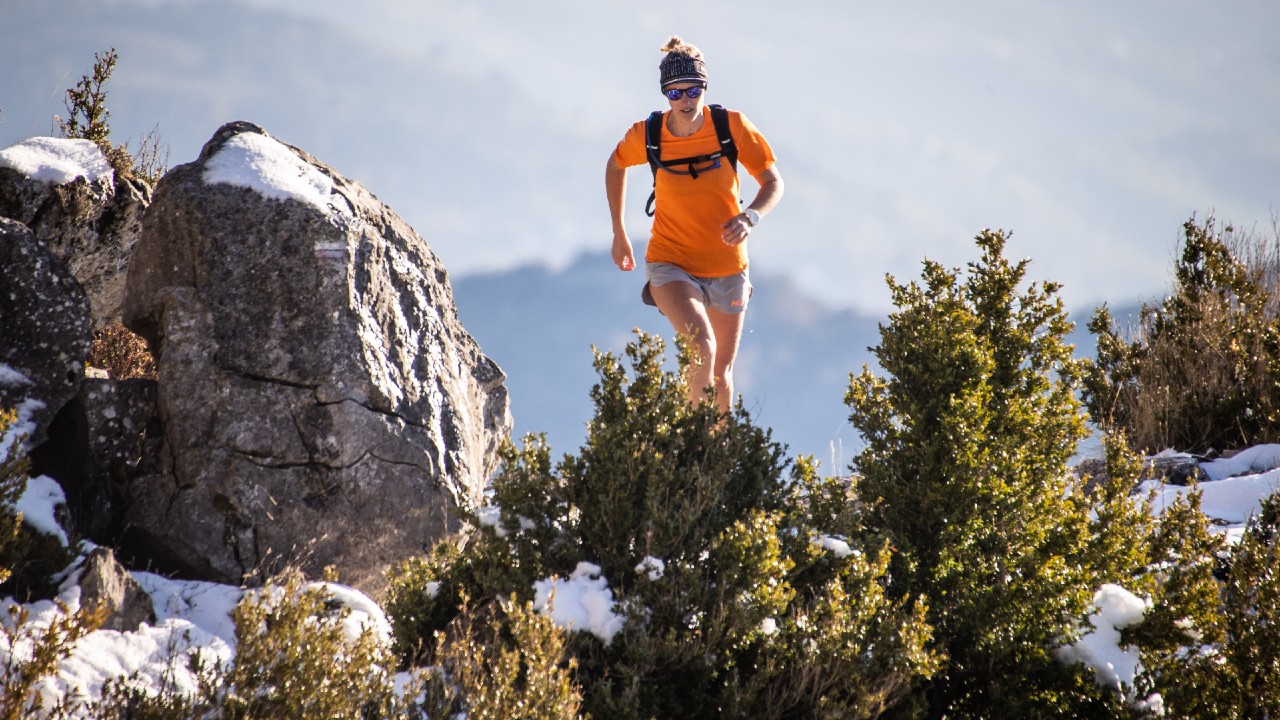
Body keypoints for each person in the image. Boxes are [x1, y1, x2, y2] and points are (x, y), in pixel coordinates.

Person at [605, 36, 784, 414]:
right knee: (701, 347)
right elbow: (616, 164)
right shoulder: (650, 134)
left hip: (729, 267)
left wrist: (750, 216)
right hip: (671, 262)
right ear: (664, 94)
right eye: (675, 93)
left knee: (721, 374)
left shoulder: (730, 126)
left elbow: (773, 182)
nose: (685, 101)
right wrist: (619, 232)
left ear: (705, 86)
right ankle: (688, 451)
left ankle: (716, 465)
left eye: (693, 90)